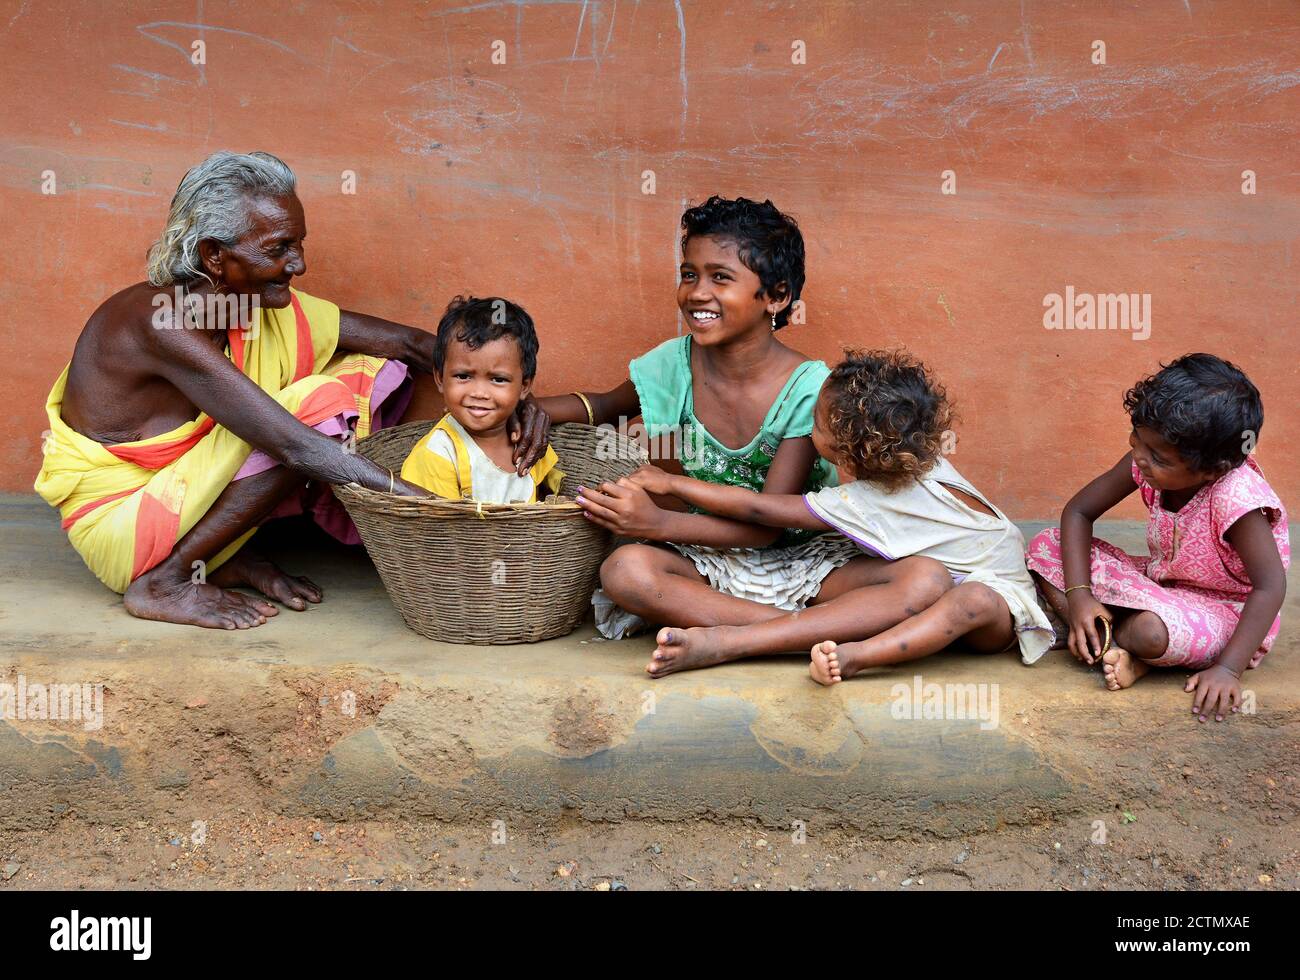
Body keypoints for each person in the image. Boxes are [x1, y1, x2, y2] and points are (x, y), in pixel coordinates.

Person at [34, 151, 548, 630]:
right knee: (321, 405)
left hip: (182, 497)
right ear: (214, 256)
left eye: (299, 244)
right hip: (123, 526)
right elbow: (295, 445)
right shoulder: (161, 323)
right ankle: (165, 583)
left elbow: (415, 345)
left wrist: (518, 404)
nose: (298, 264)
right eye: (280, 248)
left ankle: (221, 556)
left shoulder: (249, 305)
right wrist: (428, 508)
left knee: (356, 372)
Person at [534, 196, 947, 676]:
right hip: (707, 557)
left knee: (925, 578)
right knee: (626, 572)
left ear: (775, 296)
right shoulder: (671, 365)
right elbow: (602, 406)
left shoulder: (809, 389)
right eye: (689, 274)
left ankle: (736, 640)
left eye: (720, 277)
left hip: (805, 557)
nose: (696, 292)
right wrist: (520, 409)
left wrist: (655, 523)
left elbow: (766, 526)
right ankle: (803, 635)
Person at [623, 348, 1054, 682]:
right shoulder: (925, 460)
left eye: (817, 426)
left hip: (999, 604)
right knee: (626, 570)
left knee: (969, 597)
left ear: (847, 451)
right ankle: (814, 632)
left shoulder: (868, 500)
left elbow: (761, 509)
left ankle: (831, 652)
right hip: (956, 582)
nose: (810, 432)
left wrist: (673, 484)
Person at [1026, 353, 1289, 721]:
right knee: (1046, 545)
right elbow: (1079, 512)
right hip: (1158, 586)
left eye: (1159, 458)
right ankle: (1098, 629)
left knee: (1150, 631)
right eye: (1137, 440)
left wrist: (1229, 669)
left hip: (1225, 613)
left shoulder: (1236, 497)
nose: (1141, 458)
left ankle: (1108, 640)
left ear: (1212, 470)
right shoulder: (1147, 457)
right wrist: (1080, 595)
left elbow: (1271, 586)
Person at [400, 296, 563, 502]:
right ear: (440, 379)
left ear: (524, 386)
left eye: (498, 379)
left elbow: (542, 499)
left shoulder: (528, 442)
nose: (479, 392)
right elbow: (439, 530)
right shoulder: (438, 455)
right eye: (463, 376)